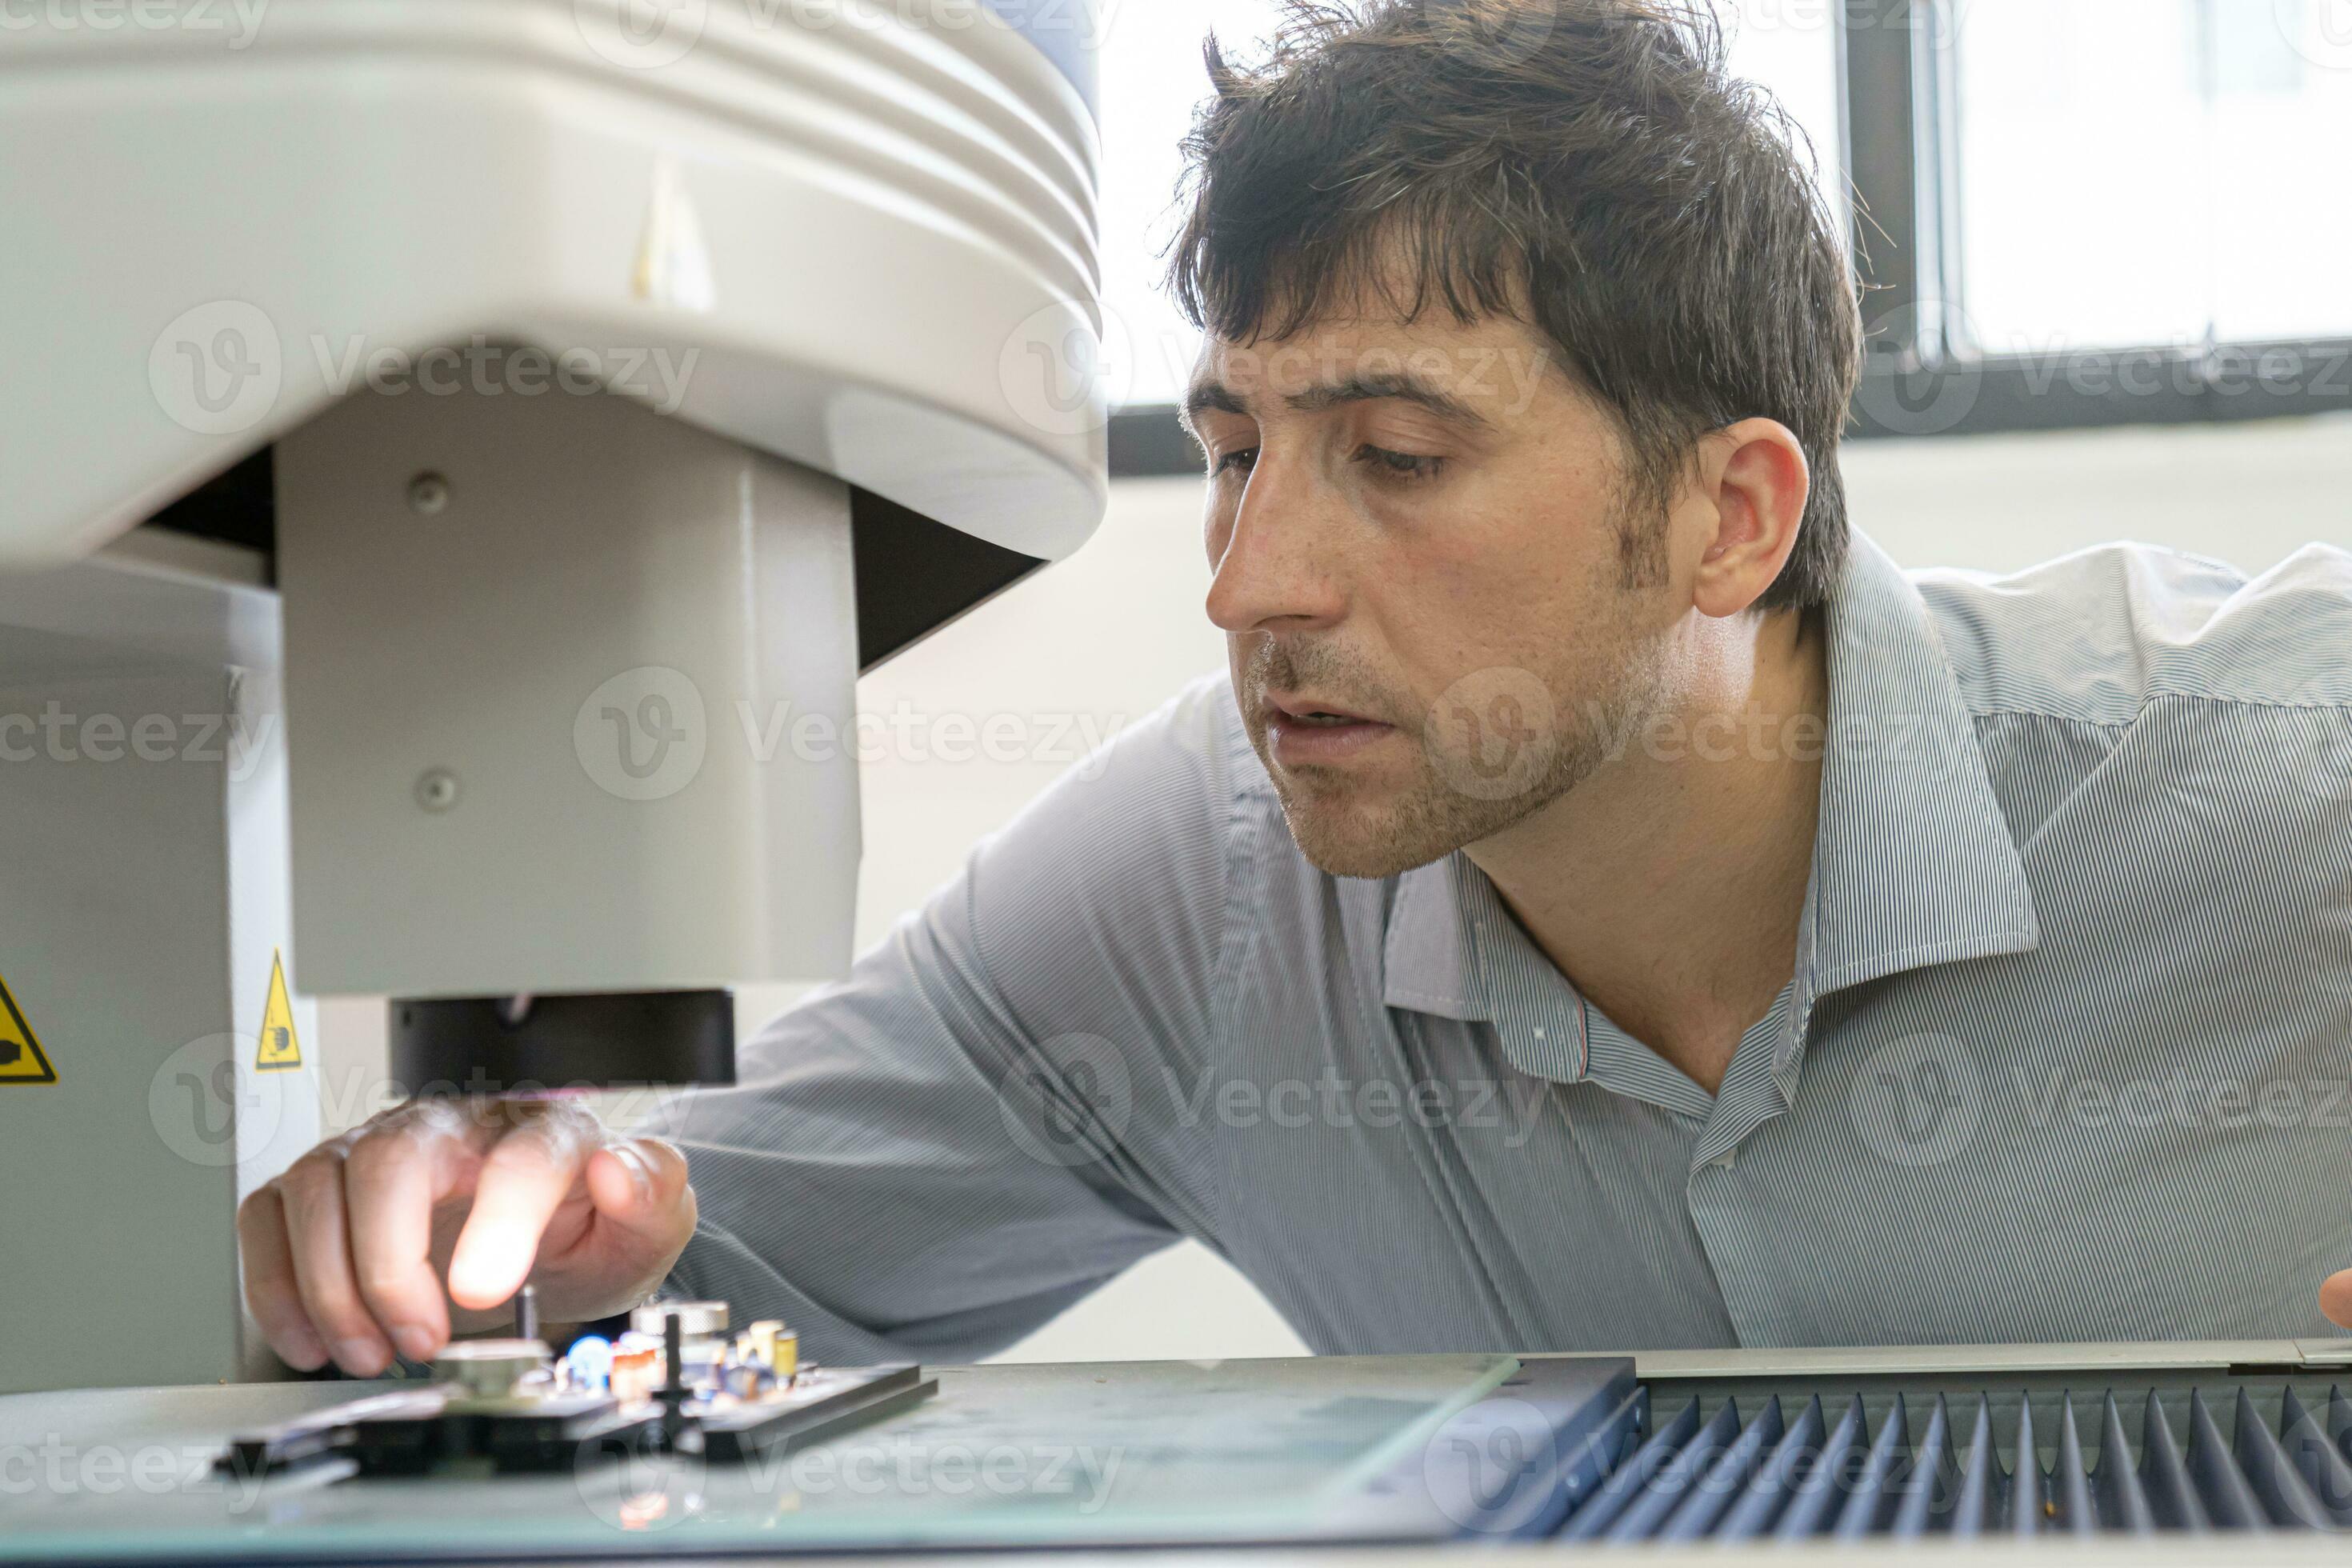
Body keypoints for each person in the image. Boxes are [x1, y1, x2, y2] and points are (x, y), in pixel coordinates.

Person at [239, 0, 2352, 1378]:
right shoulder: (1202, 883)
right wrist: (472, 1215)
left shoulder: (2278, 784)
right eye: (1236, 450)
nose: (1249, 585)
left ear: (1727, 518)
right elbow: (697, 1250)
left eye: (1399, 460)